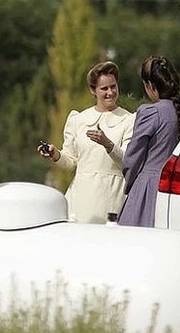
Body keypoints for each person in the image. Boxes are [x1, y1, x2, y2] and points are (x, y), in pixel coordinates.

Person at [37, 61, 134, 224]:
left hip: (112, 198)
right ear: (93, 91)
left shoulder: (129, 120)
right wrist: (55, 154)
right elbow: (71, 163)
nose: (110, 92)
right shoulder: (78, 120)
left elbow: (127, 161)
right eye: (104, 88)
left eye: (113, 86)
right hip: (80, 200)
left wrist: (107, 144)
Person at [118, 55, 180, 227]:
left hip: (148, 190)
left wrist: (131, 185)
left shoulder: (150, 113)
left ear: (150, 86)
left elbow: (132, 159)